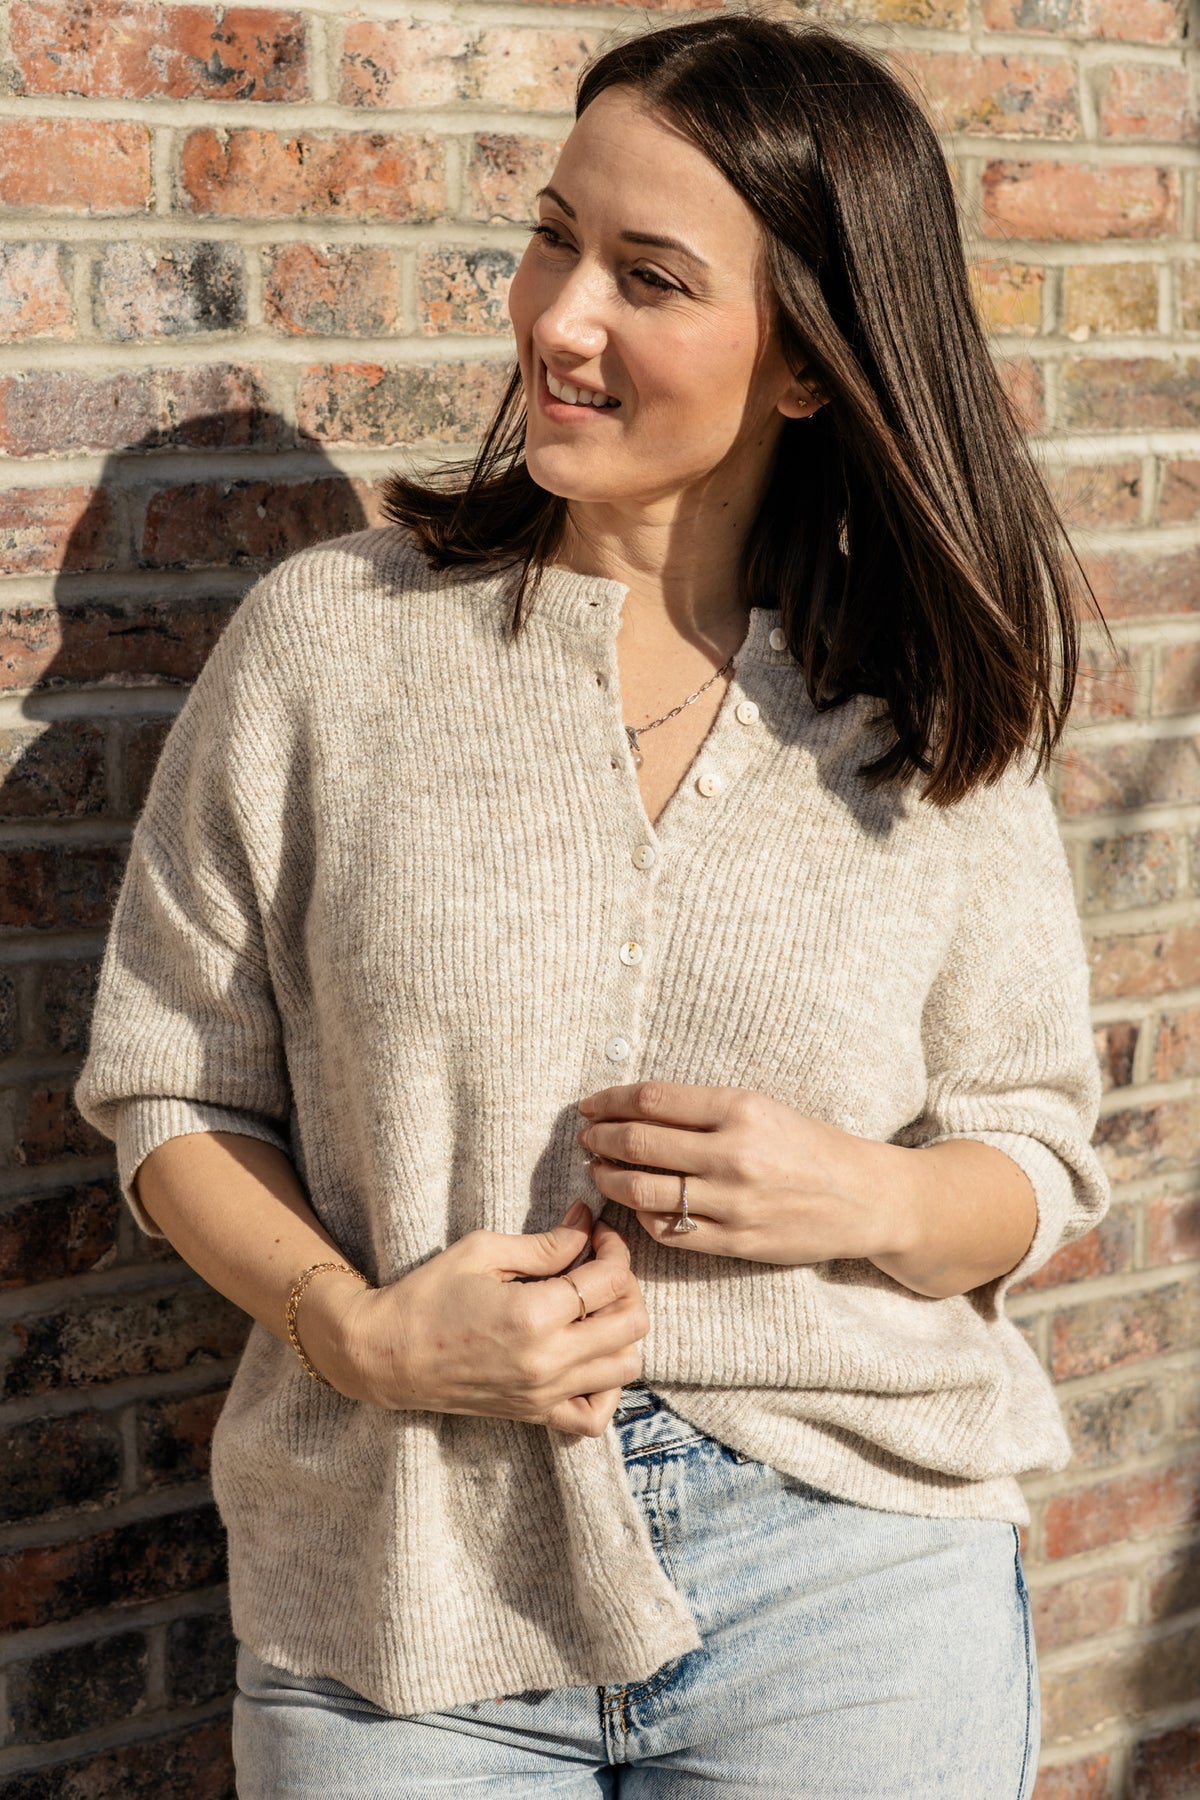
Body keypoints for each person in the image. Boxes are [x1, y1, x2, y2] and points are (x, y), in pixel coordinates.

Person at [76, 14, 1111, 1797]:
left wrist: (865, 1192)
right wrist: (357, 1330)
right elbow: (168, 1088)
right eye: (555, 238)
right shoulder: (337, 644)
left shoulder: (922, 705)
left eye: (649, 276)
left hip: (846, 1577)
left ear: (808, 363)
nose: (561, 318)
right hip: (405, 1591)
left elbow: (1033, 1159)